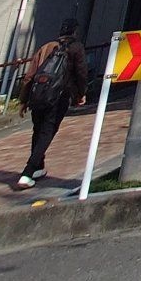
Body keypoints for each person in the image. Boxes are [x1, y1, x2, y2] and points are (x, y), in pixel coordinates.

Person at [15, 17, 89, 189]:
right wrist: (81, 94)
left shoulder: (46, 47)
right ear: (75, 32)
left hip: (37, 95)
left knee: (38, 130)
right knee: (47, 132)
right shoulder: (76, 48)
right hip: (58, 96)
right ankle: (27, 172)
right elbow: (81, 73)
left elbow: (29, 76)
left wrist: (23, 100)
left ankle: (38, 168)